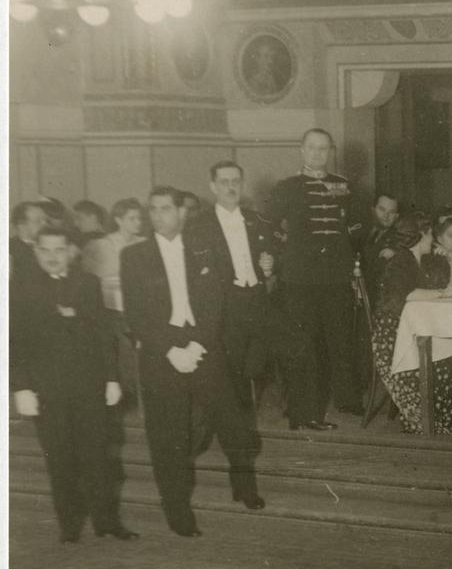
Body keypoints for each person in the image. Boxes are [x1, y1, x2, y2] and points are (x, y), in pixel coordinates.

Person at [122, 186, 263, 535]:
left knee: (233, 423)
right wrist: (171, 351)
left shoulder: (204, 249)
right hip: (161, 354)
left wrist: (197, 346)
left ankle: (244, 486)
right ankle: (177, 510)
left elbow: (215, 303)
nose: (158, 216)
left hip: (203, 347)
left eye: (166, 209)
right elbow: (136, 315)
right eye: (153, 209)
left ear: (181, 213)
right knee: (168, 437)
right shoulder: (134, 255)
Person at [10, 226, 137, 543]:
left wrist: (112, 379)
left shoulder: (88, 283)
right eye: (45, 250)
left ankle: (107, 522)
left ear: (70, 251)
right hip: (46, 390)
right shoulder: (20, 288)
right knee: (59, 459)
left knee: (98, 457)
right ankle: (69, 525)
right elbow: (15, 342)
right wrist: (20, 387)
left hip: (88, 386)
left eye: (58, 249)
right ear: (36, 252)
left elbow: (103, 334)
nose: (52, 257)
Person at [266, 128, 363, 429]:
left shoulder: (344, 186)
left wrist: (347, 255)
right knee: (302, 343)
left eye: (323, 148)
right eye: (312, 147)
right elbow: (270, 226)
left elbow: (358, 226)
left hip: (336, 276)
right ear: (302, 150)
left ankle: (346, 399)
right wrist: (287, 251)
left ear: (330, 151)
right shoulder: (287, 187)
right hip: (299, 278)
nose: (318, 153)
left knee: (340, 339)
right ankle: (301, 408)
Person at [370, 213, 452, 435]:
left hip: (415, 327)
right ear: (419, 236)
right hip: (393, 335)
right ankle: (439, 417)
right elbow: (405, 296)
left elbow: (445, 290)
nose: (432, 240)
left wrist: (449, 274)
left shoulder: (418, 260)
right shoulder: (401, 260)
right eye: (429, 235)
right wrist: (442, 292)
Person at [184, 162, 281, 437]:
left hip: (258, 300)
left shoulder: (256, 219)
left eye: (236, 181)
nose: (231, 187)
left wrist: (270, 265)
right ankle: (235, 427)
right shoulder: (198, 225)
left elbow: (272, 254)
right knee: (232, 365)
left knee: (273, 354)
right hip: (224, 305)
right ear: (213, 187)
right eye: (224, 182)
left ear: (242, 184)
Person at [81, 198, 147, 400]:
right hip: (111, 310)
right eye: (132, 218)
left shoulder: (145, 243)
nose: (138, 223)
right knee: (123, 355)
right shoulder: (100, 245)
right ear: (118, 220)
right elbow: (90, 281)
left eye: (139, 218)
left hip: (139, 308)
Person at [360, 193, 400, 306]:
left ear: (397, 216)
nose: (386, 215)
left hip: (383, 301)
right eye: (382, 209)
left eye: (391, 212)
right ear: (373, 210)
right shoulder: (369, 233)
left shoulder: (398, 239)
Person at [10, 201, 48, 280]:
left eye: (45, 220)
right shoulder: (9, 249)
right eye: (38, 221)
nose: (45, 224)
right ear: (21, 225)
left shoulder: (52, 245)